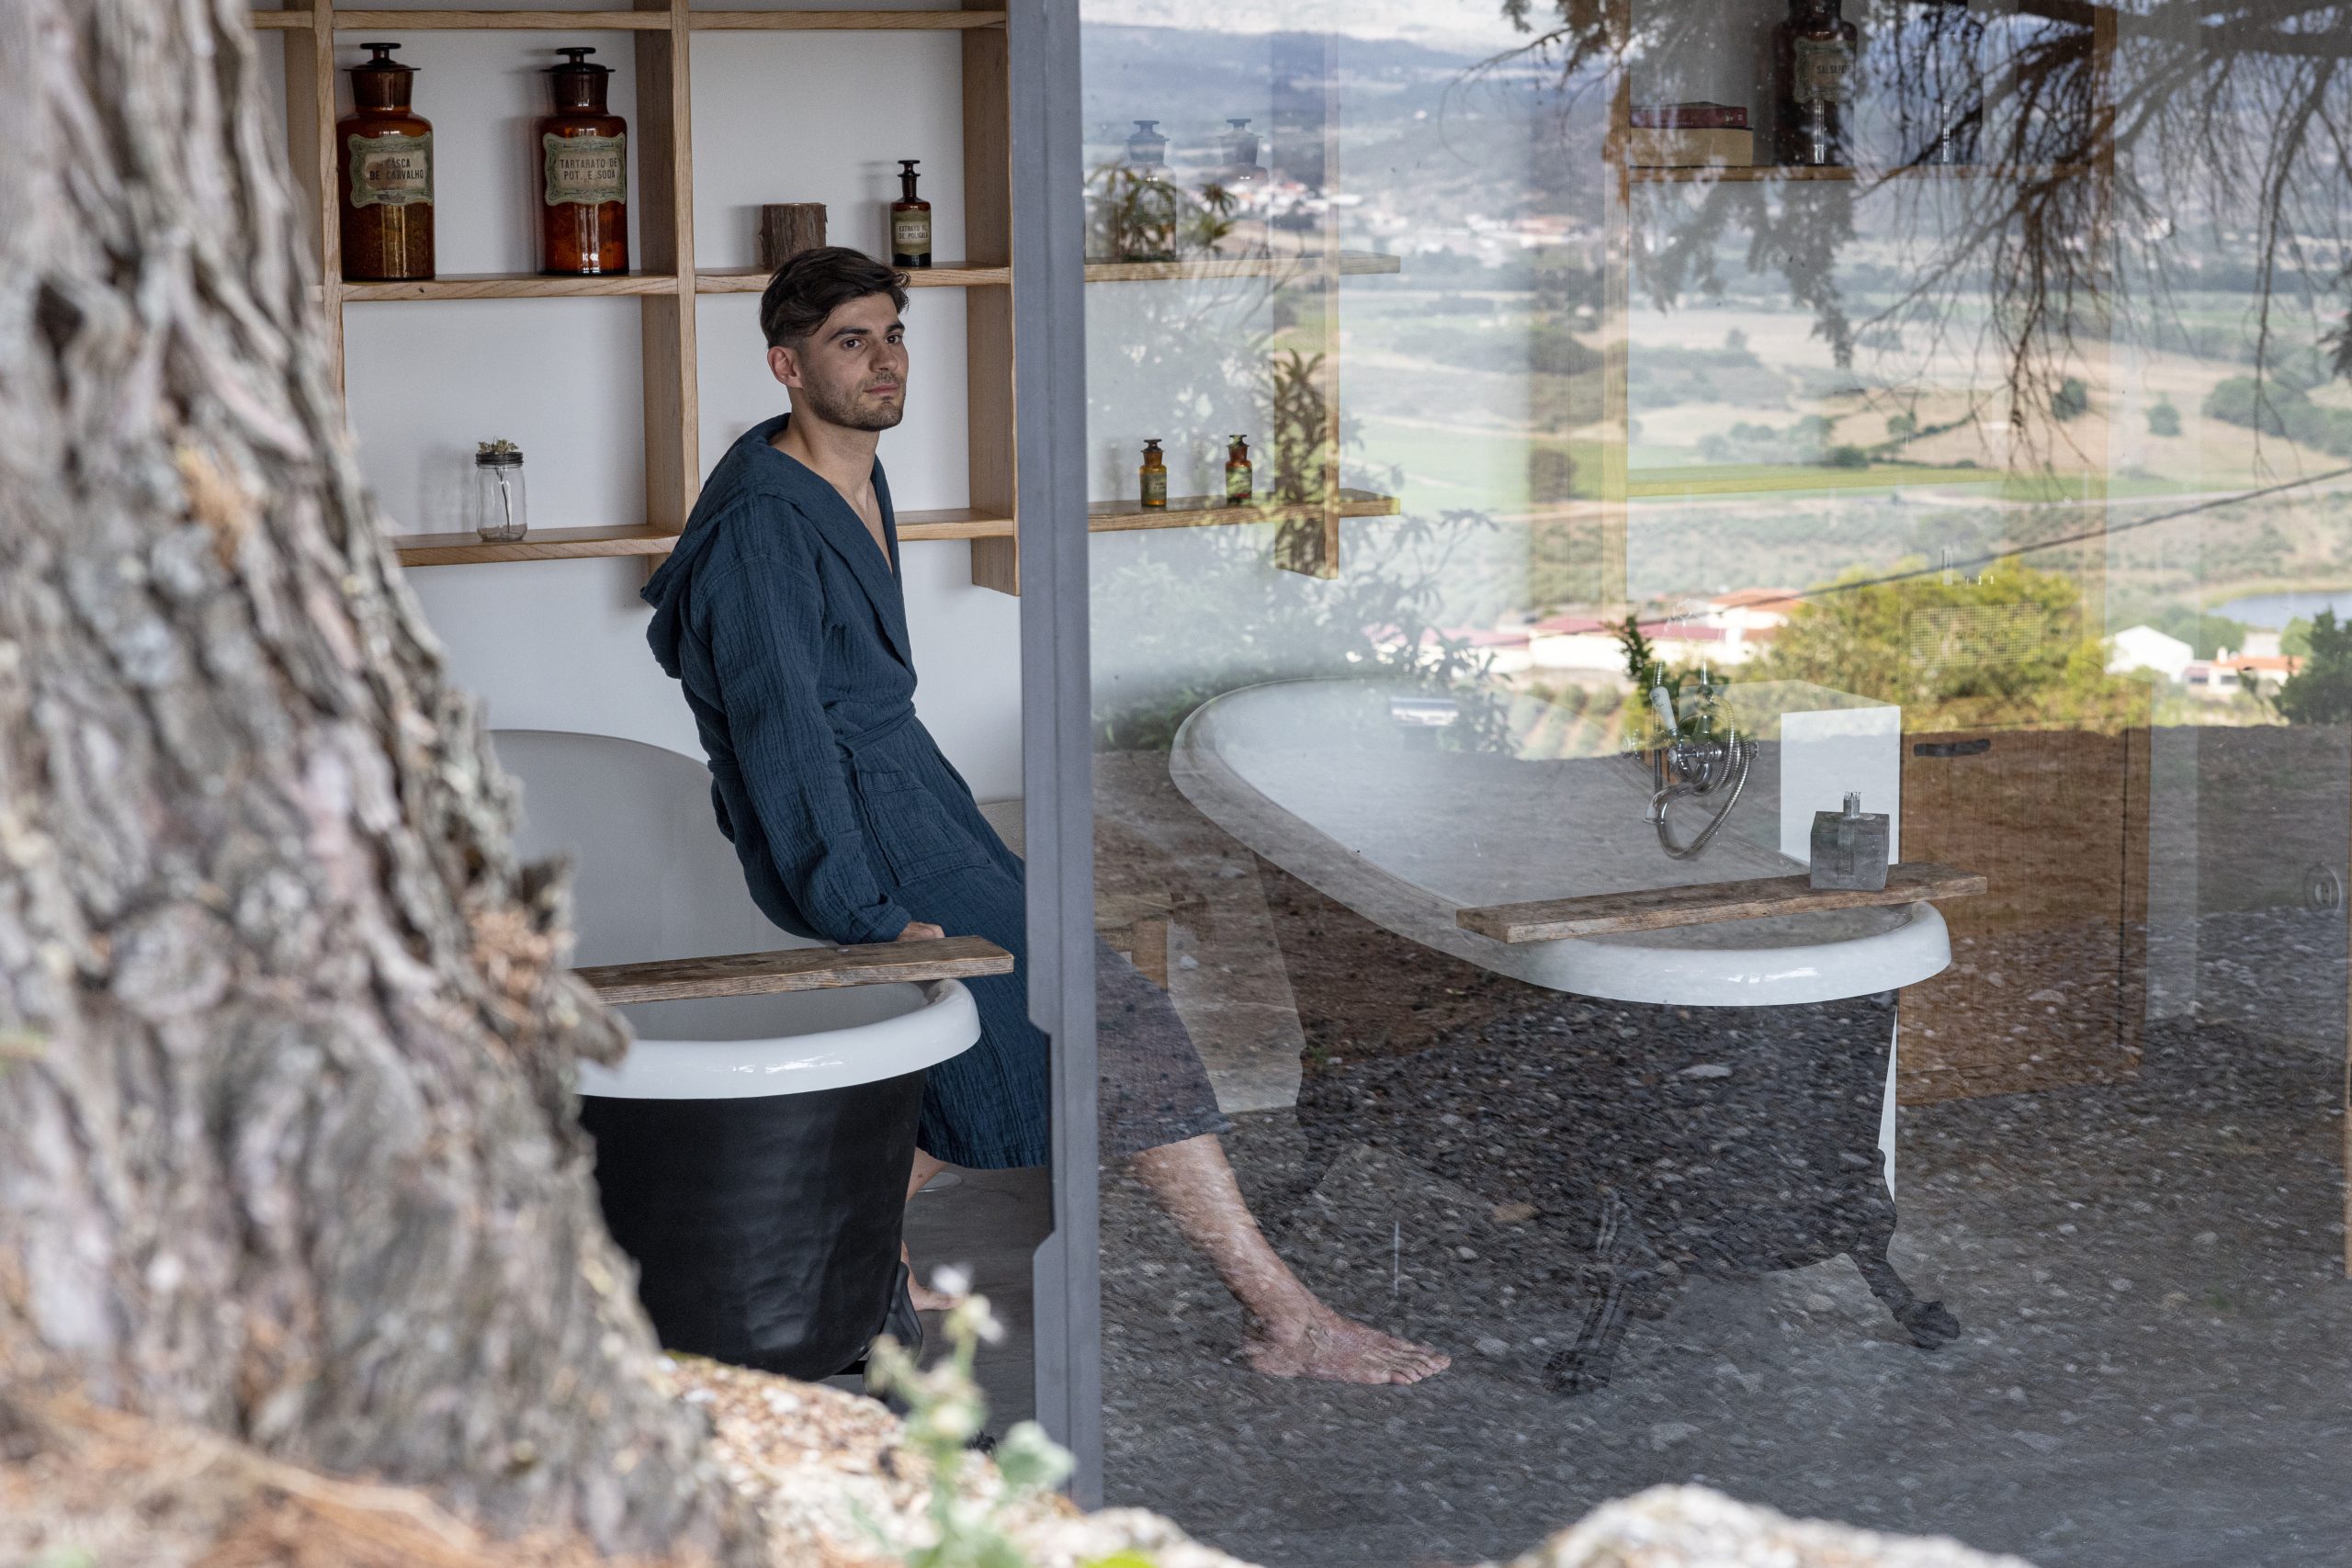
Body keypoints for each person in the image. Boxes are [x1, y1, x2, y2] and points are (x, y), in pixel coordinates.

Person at [640, 247, 1446, 1385]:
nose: (883, 362)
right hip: (864, 833)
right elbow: (785, 742)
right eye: (848, 342)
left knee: (989, 1048)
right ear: (786, 366)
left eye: (892, 334)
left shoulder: (852, 472)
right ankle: (1287, 1316)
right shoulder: (764, 528)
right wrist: (862, 913)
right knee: (1111, 1022)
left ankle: (836, 1266)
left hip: (917, 800)